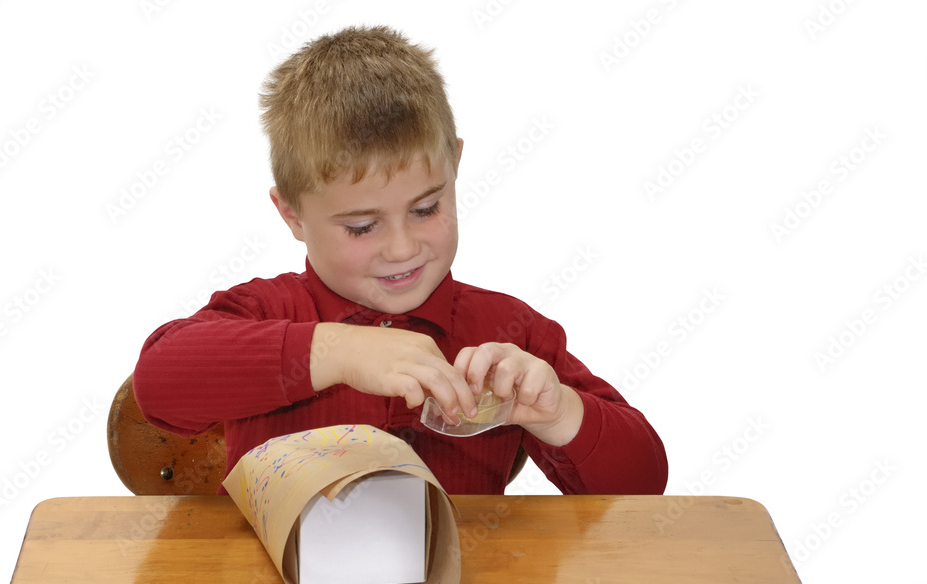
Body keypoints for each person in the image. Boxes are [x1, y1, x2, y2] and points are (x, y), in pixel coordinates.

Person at [133, 25, 667, 495]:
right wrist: (338, 350)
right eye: (362, 226)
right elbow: (157, 385)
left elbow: (643, 485)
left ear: (455, 166)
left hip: (460, 583)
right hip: (272, 581)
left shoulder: (511, 334)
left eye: (426, 209)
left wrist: (559, 412)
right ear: (292, 215)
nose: (403, 248)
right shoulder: (264, 311)